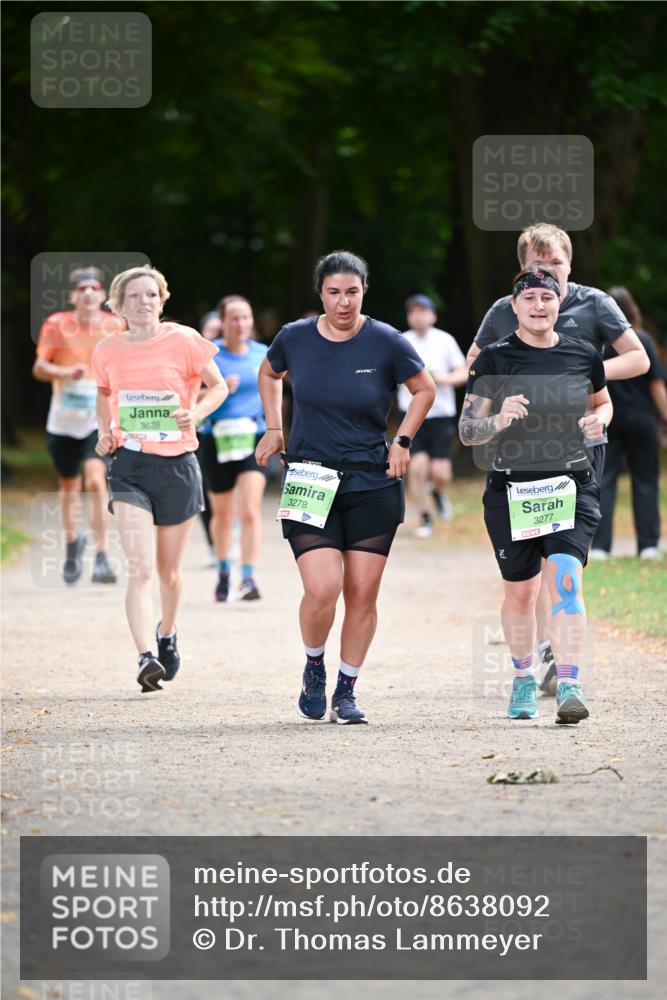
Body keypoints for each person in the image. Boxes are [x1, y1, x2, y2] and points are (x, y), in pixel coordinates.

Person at [466, 223, 649, 694]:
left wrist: (574, 377)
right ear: (521, 274)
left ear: (570, 266)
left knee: (564, 569)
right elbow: (474, 372)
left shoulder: (595, 306)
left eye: (555, 267)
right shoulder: (504, 311)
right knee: (525, 585)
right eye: (535, 269)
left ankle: (566, 675)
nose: (545, 280)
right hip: (516, 468)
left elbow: (639, 360)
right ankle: (535, 661)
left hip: (580, 454)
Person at [255, 250, 435, 724]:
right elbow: (268, 372)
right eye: (334, 292)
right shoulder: (294, 338)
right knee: (322, 588)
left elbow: (425, 389)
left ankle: (347, 689)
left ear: (363, 292)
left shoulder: (387, 342)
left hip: (372, 480)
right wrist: (274, 428)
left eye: (352, 292)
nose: (343, 302)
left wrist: (402, 440)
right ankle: (314, 664)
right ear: (321, 294)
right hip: (310, 477)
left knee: (362, 592)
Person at [460, 264, 613, 725]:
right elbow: (467, 431)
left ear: (558, 303)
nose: (539, 306)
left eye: (547, 299)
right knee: (522, 594)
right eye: (529, 300)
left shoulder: (584, 353)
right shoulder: (493, 359)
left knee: (566, 580)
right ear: (515, 306)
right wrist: (499, 419)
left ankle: (569, 682)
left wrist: (599, 420)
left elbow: (602, 401)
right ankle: (525, 676)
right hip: (511, 488)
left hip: (570, 483)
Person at [92, 266, 227, 692]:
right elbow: (103, 392)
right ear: (119, 304)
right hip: (131, 464)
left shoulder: (185, 340)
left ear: (162, 300)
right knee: (139, 566)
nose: (143, 302)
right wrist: (104, 431)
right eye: (134, 296)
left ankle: (167, 631)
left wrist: (197, 412)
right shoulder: (107, 350)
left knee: (168, 572)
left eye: (151, 294)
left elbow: (218, 387)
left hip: (178, 465)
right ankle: (145, 655)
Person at [33, 267, 124, 584]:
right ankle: (73, 544)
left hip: (96, 421)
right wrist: (61, 372)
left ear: (101, 296)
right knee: (69, 486)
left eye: (94, 288)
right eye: (81, 288)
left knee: (97, 481)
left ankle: (101, 555)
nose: (87, 293)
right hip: (62, 420)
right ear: (73, 296)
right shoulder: (57, 324)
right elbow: (40, 366)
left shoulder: (115, 325)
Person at [199, 295, 269, 601]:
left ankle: (249, 577)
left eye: (245, 317)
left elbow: (277, 390)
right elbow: (190, 395)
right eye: (234, 318)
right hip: (217, 438)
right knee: (223, 514)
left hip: (254, 435)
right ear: (223, 322)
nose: (240, 324)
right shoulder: (210, 357)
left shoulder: (264, 354)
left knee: (251, 510)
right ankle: (224, 572)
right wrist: (216, 388)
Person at [591, 287, 667, 560]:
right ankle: (648, 545)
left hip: (606, 418)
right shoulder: (642, 340)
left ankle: (600, 547)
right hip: (641, 419)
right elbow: (657, 386)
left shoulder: (598, 345)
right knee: (645, 480)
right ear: (632, 309)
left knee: (604, 480)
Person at [397, 293, 468, 537]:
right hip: (412, 413)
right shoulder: (401, 341)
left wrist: (443, 379)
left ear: (433, 315)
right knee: (417, 467)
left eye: (423, 311)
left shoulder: (445, 340)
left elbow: (464, 372)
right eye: (413, 311)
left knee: (440, 473)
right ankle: (424, 518)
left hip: (441, 414)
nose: (418, 316)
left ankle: (437, 492)